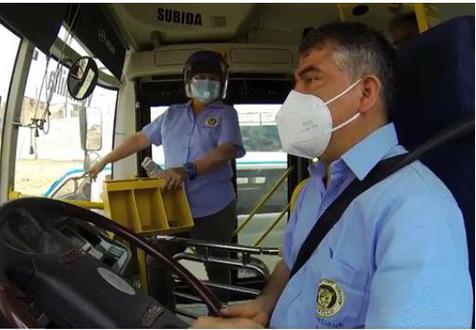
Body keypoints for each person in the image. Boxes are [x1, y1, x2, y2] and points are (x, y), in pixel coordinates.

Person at [193, 21, 472, 328]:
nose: (294, 97)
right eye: (295, 83)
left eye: (311, 79)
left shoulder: (416, 208)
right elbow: (292, 262)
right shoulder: (314, 187)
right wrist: (265, 304)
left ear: (365, 93)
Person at [87, 50, 245, 308]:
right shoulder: (171, 115)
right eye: (200, 77)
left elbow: (226, 150)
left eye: (212, 78)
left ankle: (220, 318)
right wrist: (105, 160)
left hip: (215, 208)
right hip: (174, 207)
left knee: (216, 267)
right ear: (188, 82)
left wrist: (187, 170)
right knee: (156, 262)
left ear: (222, 84)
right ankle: (165, 317)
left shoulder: (227, 114)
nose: (206, 83)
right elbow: (139, 139)